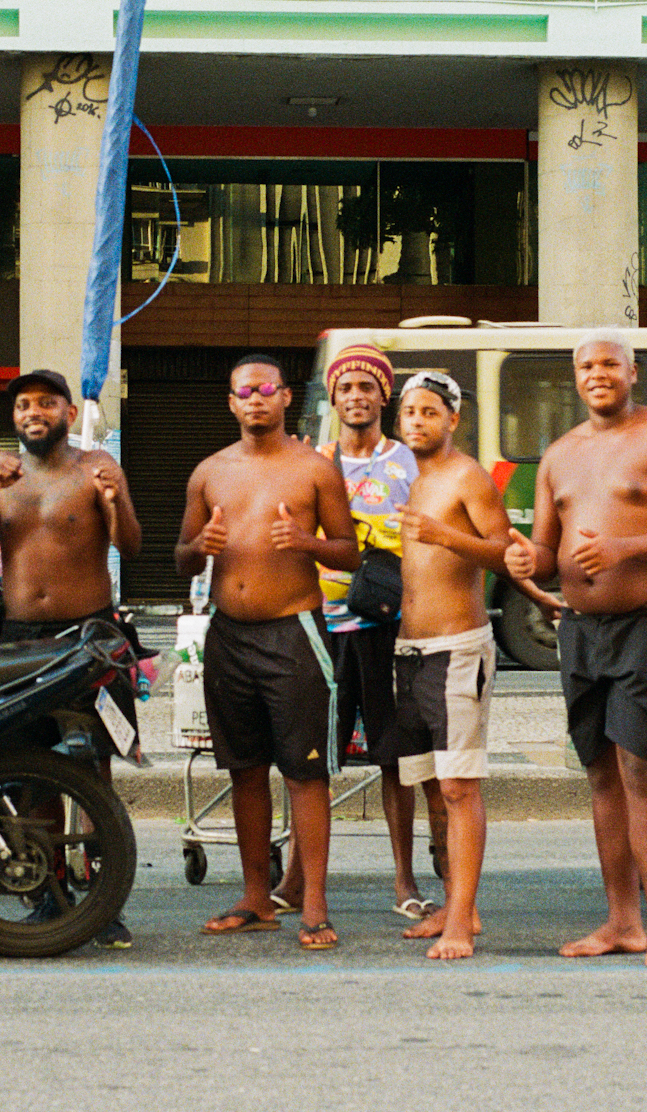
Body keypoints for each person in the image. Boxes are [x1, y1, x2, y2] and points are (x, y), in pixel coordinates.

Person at [504, 330, 647, 968]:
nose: (596, 374)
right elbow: (547, 553)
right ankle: (622, 921)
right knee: (600, 773)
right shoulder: (559, 455)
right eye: (585, 366)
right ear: (574, 377)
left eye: (609, 364)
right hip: (583, 630)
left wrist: (624, 549)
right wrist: (527, 561)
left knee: (643, 772)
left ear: (632, 373)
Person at [0, 367, 144, 949]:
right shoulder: (1, 473)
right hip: (20, 642)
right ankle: (49, 894)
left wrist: (115, 499)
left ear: (67, 412)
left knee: (93, 769)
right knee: (31, 772)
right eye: (23, 406)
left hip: (89, 638)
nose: (33, 413)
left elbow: (131, 544)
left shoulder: (95, 468)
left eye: (45, 403)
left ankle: (104, 898)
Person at [175, 355, 359, 950]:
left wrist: (305, 542)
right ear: (231, 402)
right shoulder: (209, 472)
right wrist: (200, 546)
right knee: (245, 770)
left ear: (285, 398)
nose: (255, 398)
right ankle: (257, 898)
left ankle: (314, 905)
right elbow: (180, 556)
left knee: (305, 772)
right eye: (244, 391)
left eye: (266, 389)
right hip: (228, 635)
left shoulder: (314, 469)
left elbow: (350, 552)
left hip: (294, 633)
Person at [273, 342, 441, 923]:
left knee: (395, 757)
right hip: (321, 626)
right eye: (345, 387)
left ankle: (404, 879)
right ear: (333, 397)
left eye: (366, 386)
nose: (356, 397)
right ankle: (296, 879)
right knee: (311, 757)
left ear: (383, 395)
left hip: (388, 627)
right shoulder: (313, 461)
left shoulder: (408, 463)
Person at [389, 372, 512, 960]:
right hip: (409, 652)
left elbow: (507, 553)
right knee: (434, 787)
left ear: (453, 420)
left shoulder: (467, 477)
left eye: (430, 412)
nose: (417, 420)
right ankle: (455, 904)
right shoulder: (406, 477)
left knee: (460, 787)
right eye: (410, 411)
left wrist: (445, 534)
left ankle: (461, 920)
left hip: (457, 648)